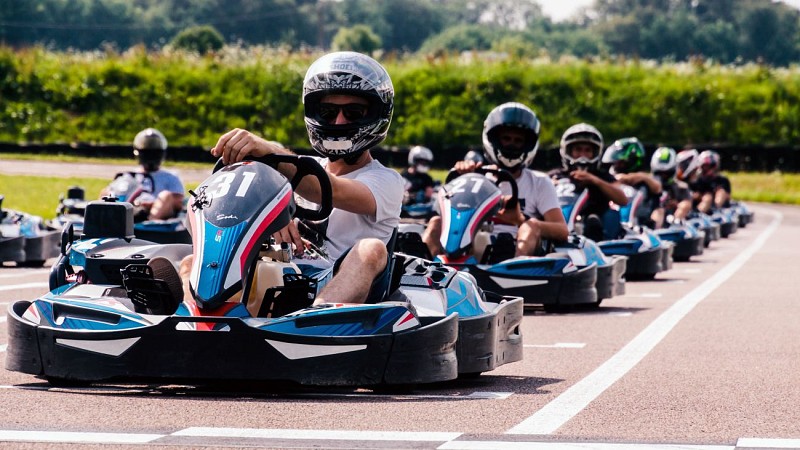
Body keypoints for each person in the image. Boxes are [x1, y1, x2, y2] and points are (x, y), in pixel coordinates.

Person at [169, 51, 403, 307]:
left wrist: (269, 150)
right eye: (327, 112)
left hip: (334, 283)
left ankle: (316, 318)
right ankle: (197, 319)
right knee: (190, 263)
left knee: (371, 248)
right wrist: (273, 221)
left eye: (353, 112)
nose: (338, 122)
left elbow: (327, 190)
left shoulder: (386, 181)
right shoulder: (293, 168)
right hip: (282, 276)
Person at [422, 102, 568, 258]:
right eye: (506, 139)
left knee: (531, 226)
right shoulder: (474, 179)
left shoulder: (539, 182)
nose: (511, 145)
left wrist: (520, 220)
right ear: (493, 140)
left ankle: (512, 264)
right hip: (471, 248)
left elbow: (562, 230)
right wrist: (461, 178)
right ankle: (420, 263)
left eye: (518, 140)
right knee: (437, 222)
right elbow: (439, 213)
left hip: (517, 249)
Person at [549, 123, 628, 242]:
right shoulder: (556, 175)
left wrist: (594, 180)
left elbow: (623, 200)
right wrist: (550, 185)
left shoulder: (602, 176)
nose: (583, 155)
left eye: (587, 150)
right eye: (578, 150)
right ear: (568, 151)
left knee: (598, 219)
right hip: (559, 220)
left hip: (594, 227)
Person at [102, 128, 185, 221]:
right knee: (106, 192)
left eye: (154, 152)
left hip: (156, 213)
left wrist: (152, 204)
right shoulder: (129, 175)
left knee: (165, 196)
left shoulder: (171, 177)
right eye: (147, 152)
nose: (150, 156)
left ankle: (149, 223)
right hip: (130, 209)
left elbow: (178, 203)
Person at [601, 136, 662, 228]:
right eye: (616, 162)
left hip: (641, 224)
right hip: (615, 221)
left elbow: (657, 187)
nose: (617, 165)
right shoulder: (610, 177)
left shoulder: (645, 180)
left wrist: (632, 178)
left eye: (620, 162)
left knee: (659, 211)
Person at [649, 147, 693, 228]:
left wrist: (676, 205)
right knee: (658, 212)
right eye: (660, 173)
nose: (662, 177)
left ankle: (674, 226)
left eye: (666, 173)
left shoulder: (681, 187)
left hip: (672, 218)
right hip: (650, 218)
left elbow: (686, 204)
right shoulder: (647, 184)